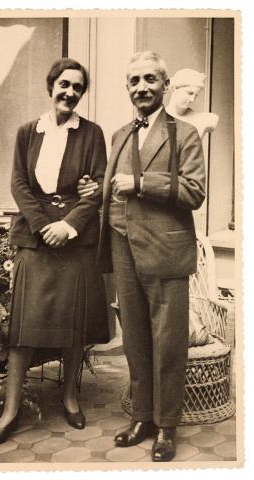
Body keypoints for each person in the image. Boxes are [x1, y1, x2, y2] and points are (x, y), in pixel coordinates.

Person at [0, 58, 110, 447]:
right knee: (23, 330)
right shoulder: (28, 132)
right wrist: (44, 226)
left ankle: (70, 398)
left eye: (77, 87)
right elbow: (19, 184)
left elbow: (97, 187)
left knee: (73, 328)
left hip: (76, 241)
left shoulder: (92, 134)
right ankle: (10, 409)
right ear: (50, 85)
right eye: (64, 84)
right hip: (35, 239)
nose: (70, 92)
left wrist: (68, 225)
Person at [94, 51, 206, 462]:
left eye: (149, 80)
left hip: (166, 248)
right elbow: (113, 186)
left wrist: (141, 182)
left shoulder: (185, 133)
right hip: (123, 245)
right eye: (134, 81)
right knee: (136, 339)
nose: (141, 87)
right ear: (127, 88)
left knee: (167, 342)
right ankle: (142, 416)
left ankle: (167, 426)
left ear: (165, 85)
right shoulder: (120, 133)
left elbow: (194, 191)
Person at [166, 68, 219, 139]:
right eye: (190, 93)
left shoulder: (204, 119)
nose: (192, 99)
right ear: (175, 88)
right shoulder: (156, 118)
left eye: (196, 95)